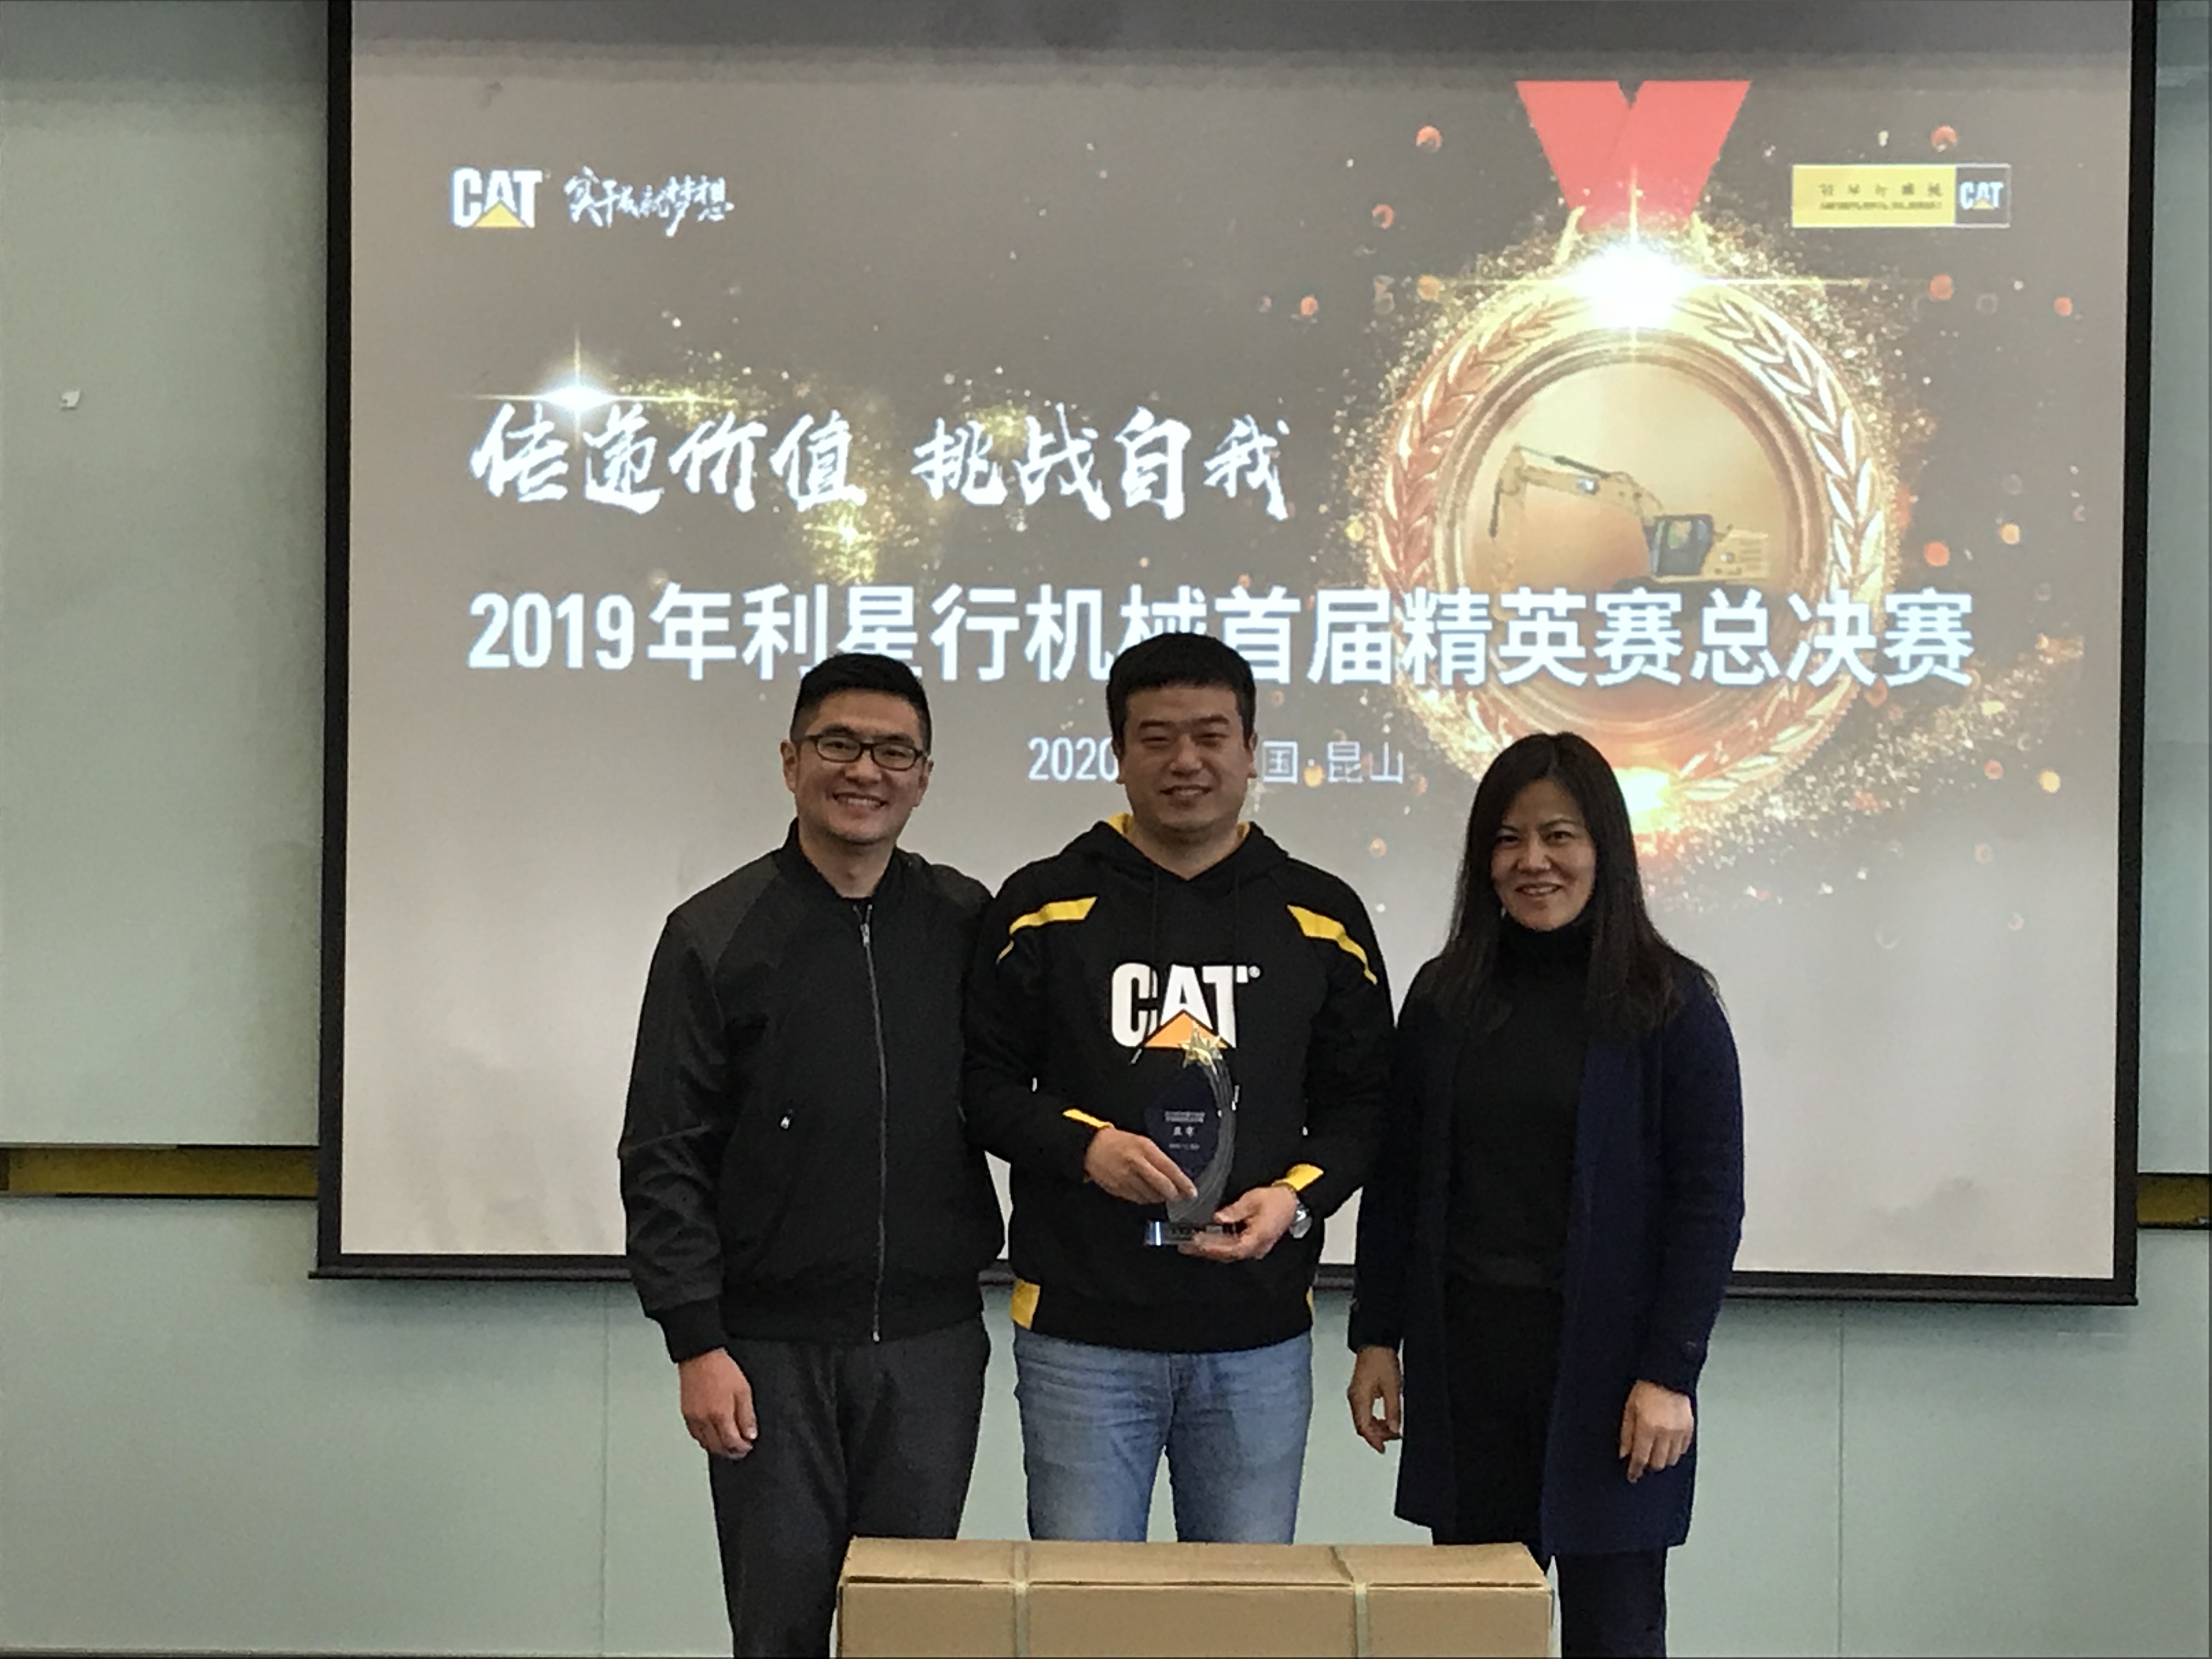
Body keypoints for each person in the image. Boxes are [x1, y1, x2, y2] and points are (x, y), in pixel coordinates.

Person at [965, 630, 1395, 1545]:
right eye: (1156, 738)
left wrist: (1295, 1199)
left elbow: (1365, 1105)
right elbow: (983, 1085)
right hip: (1080, 1334)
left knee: (1241, 1609)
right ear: (1118, 754)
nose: (1185, 761)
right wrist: (1086, 1149)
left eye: (1211, 735)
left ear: (1253, 750)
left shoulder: (1321, 916)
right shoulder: (1044, 905)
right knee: (1083, 1610)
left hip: (1257, 1336)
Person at [617, 653, 1001, 1658]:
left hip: (930, 1345)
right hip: (765, 1354)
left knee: (911, 1632)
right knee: (776, 1631)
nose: (865, 770)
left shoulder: (967, 922)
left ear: (924, 777)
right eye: (838, 744)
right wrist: (696, 1343)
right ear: (791, 762)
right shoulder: (713, 933)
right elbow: (663, 1152)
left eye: (894, 752)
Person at [1346, 731, 1743, 1658]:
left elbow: (1709, 1204)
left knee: (1617, 1631)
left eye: (1559, 836)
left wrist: (1670, 1375)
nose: (1533, 861)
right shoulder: (1445, 998)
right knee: (1474, 1630)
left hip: (1615, 1377)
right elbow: (1398, 1181)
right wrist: (1376, 1336)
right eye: (1508, 839)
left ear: (1605, 849)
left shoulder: (1671, 1003)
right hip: (1470, 1366)